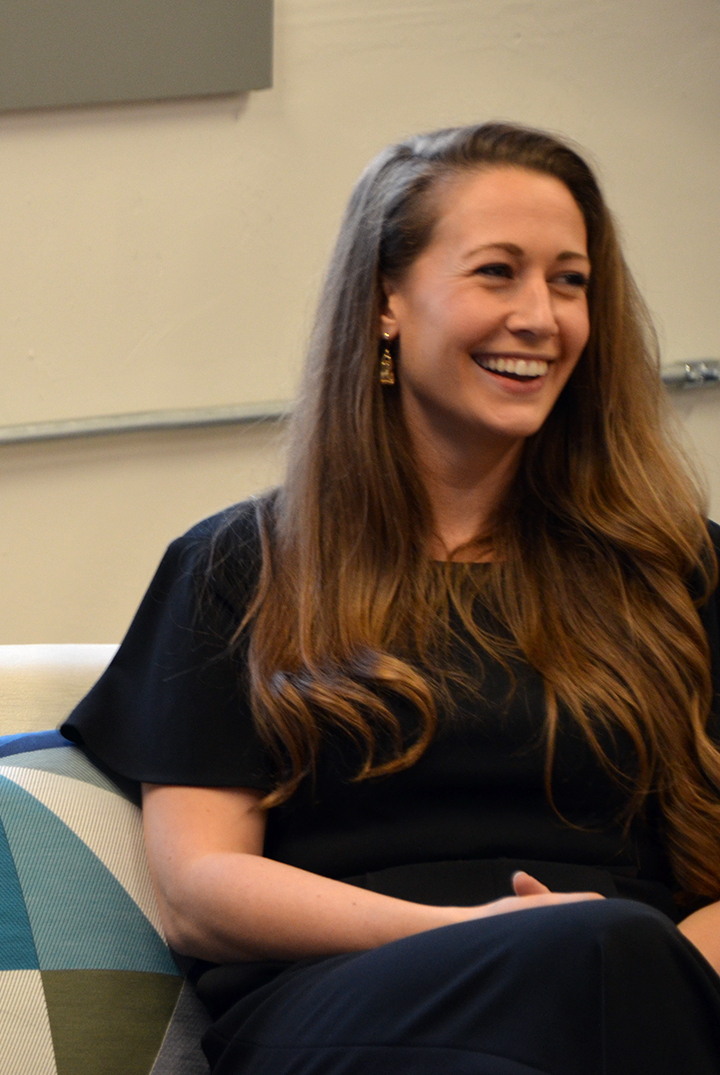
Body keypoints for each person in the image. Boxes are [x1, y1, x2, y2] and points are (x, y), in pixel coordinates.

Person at [65, 122, 720, 1073]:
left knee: (608, 964)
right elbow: (198, 889)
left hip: (631, 988)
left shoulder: (674, 565)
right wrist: (468, 931)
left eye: (570, 281)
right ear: (386, 301)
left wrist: (667, 973)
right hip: (353, 996)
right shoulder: (241, 565)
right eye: (497, 273)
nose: (541, 316)